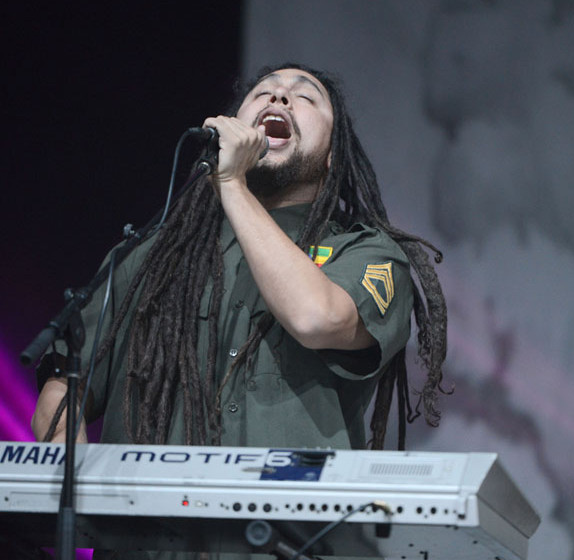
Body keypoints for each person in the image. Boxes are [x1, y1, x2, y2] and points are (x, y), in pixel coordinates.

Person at [31, 63, 448, 454]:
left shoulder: (366, 252)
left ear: (332, 156)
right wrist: (82, 493)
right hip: (142, 529)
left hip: (288, 529)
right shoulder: (150, 256)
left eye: (304, 97)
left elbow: (316, 317)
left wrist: (231, 182)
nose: (279, 99)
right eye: (263, 92)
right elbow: (66, 380)